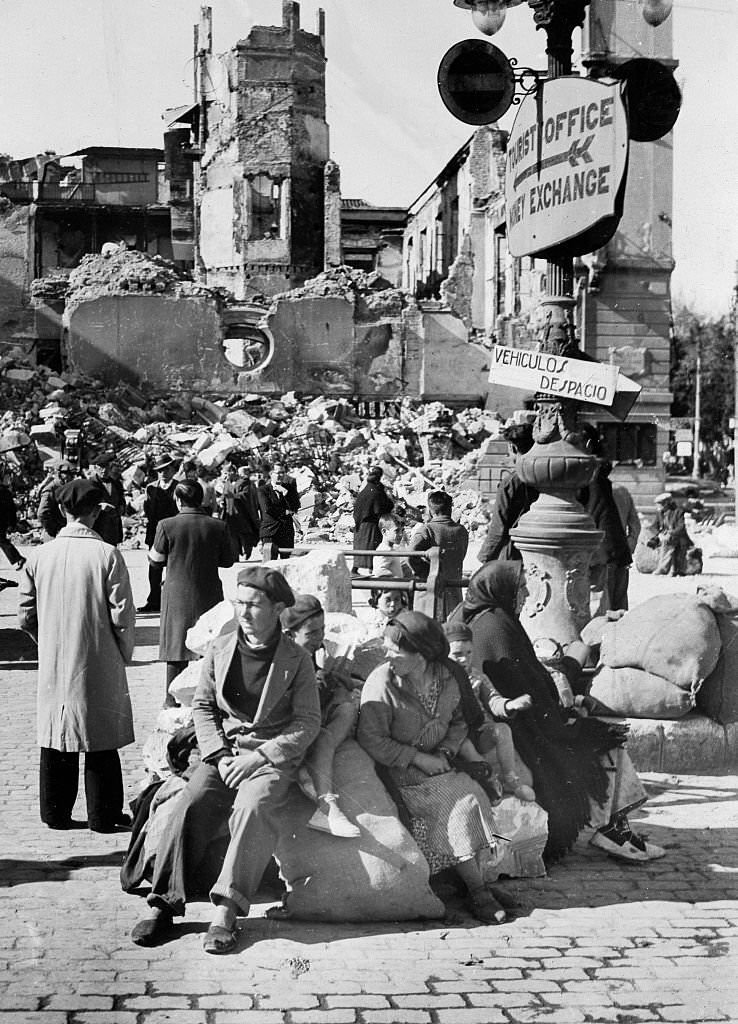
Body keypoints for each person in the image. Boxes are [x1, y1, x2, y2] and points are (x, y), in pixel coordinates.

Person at [130, 566, 320, 954]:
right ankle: (163, 902)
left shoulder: (296, 659)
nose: (244, 613)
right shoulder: (221, 648)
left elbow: (307, 722)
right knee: (190, 803)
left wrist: (260, 758)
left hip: (268, 758)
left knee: (253, 807)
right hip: (224, 753)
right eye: (239, 603)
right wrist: (217, 753)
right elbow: (202, 706)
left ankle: (226, 914)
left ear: (279, 609)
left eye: (254, 605)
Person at [447, 561, 666, 864]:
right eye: (520, 587)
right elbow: (526, 692)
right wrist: (566, 712)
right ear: (502, 591)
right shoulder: (497, 627)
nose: (525, 594)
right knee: (602, 742)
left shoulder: (483, 619)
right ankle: (615, 831)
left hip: (513, 723)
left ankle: (615, 828)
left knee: (590, 730)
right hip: (522, 733)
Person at [357, 610, 510, 925]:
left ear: (421, 654)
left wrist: (443, 751)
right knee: (461, 802)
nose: (387, 656)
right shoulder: (382, 682)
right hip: (399, 772)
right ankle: (479, 891)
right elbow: (371, 739)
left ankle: (472, 883)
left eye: (394, 650)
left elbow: (457, 722)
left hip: (441, 764)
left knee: (474, 794)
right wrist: (417, 758)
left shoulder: (447, 677)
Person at [18, 479, 136, 832]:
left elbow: (25, 614)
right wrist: (121, 652)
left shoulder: (39, 556)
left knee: (56, 733)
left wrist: (46, 640)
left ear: (61, 511)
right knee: (100, 736)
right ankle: (104, 815)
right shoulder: (108, 555)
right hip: (98, 656)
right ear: (97, 511)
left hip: (55, 657)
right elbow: (123, 615)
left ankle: (54, 812)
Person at [149, 480, 235, 707]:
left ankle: (171, 700)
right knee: (208, 645)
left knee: (176, 646)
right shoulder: (218, 526)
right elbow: (228, 561)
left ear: (177, 500)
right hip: (208, 591)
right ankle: (207, 698)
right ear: (202, 499)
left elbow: (156, 560)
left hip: (176, 593)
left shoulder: (166, 525)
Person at [281, 595, 361, 838]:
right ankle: (327, 805)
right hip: (290, 729)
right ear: (289, 634)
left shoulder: (307, 652)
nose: (319, 638)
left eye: (322, 630)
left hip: (313, 721)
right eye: (312, 633)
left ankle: (312, 774)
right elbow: (307, 703)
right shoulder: (283, 659)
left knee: (347, 708)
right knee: (326, 735)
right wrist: (323, 672)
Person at [443, 620, 536, 803]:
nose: (465, 659)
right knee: (465, 747)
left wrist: (509, 705)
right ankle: (489, 780)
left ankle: (511, 780)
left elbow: (493, 699)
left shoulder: (477, 676)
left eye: (469, 653)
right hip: (457, 737)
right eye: (457, 654)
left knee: (502, 730)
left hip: (480, 732)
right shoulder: (440, 679)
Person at [578, 425, 632, 613]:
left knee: (601, 614)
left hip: (602, 556)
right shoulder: (599, 476)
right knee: (617, 611)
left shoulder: (589, 476)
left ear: (587, 444)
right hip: (614, 553)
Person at [478, 422, 538, 564]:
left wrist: (485, 557)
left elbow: (498, 527)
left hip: (514, 552)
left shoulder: (510, 482)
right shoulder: (546, 476)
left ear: (513, 447)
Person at [408, 490, 468, 618]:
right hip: (454, 591)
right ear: (450, 508)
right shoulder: (462, 531)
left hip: (429, 592)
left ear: (431, 511)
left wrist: (425, 570)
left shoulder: (426, 530)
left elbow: (410, 555)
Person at [139, 455, 180, 613]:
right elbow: (148, 510)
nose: (163, 473)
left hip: (173, 533)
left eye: (166, 469)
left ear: (172, 470)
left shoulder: (178, 487)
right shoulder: (151, 488)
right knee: (154, 569)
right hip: (155, 533)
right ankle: (154, 600)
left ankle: (172, 601)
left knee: (173, 568)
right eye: (159, 470)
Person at [352, 466, 394, 574]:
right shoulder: (374, 491)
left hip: (361, 524)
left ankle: (355, 569)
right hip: (371, 524)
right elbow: (380, 507)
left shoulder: (367, 489)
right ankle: (371, 569)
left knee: (362, 546)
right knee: (372, 546)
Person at [257, 460, 300, 560]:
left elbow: (296, 507)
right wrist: (286, 512)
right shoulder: (263, 490)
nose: (280, 475)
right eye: (277, 473)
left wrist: (285, 494)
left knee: (287, 564)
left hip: (286, 531)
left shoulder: (289, 489)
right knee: (270, 564)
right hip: (270, 531)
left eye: (282, 473)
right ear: (271, 473)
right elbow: (268, 509)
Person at [219, 464, 260, 560]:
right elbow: (224, 494)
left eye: (226, 473)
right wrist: (222, 500)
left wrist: (233, 496)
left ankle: (247, 550)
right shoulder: (227, 483)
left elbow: (245, 494)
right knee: (232, 535)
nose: (225, 476)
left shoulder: (243, 482)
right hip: (230, 513)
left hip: (242, 513)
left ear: (232, 472)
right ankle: (235, 555)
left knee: (244, 533)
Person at [650, 492, 694, 576]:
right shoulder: (660, 513)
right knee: (664, 542)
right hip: (665, 537)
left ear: (665, 503)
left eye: (659, 504)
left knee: (669, 542)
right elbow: (653, 527)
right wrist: (659, 534)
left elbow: (681, 527)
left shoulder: (678, 511)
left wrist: (670, 533)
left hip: (679, 537)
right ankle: (669, 568)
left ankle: (663, 568)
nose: (658, 507)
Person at [87, 452, 125, 546]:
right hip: (97, 527)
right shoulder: (90, 484)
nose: (103, 470)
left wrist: (122, 507)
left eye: (106, 467)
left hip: (113, 528)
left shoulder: (117, 484)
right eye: (101, 467)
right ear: (96, 468)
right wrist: (99, 507)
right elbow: (86, 506)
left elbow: (121, 500)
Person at [37, 459, 75, 540]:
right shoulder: (50, 489)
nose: (71, 476)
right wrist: (53, 530)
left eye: (72, 474)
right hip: (54, 534)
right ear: (58, 474)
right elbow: (42, 513)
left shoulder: (67, 487)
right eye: (67, 473)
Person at [373, 513, 410, 580]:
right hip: (391, 588)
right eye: (397, 531)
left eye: (402, 530)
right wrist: (397, 581)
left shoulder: (392, 548)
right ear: (384, 532)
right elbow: (379, 572)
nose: (401, 534)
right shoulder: (384, 550)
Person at [0, 468, 24, 571]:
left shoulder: (3, 492)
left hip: (1, 521)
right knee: (2, 540)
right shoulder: (6, 491)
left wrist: (11, 523)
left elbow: (10, 509)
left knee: (2, 541)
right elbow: (12, 509)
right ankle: (18, 558)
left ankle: (18, 558)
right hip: (4, 521)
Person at [612, 483, 641, 559]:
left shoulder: (588, 490)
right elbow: (635, 524)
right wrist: (630, 544)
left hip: (597, 555)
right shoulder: (622, 491)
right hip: (621, 548)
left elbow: (635, 523)